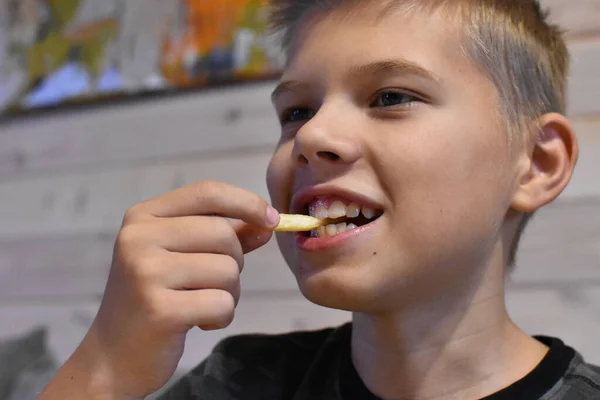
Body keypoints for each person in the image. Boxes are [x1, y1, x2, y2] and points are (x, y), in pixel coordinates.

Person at [38, 0, 600, 399]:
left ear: (536, 164)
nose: (311, 137)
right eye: (297, 112)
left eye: (390, 97)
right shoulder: (238, 382)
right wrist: (106, 368)